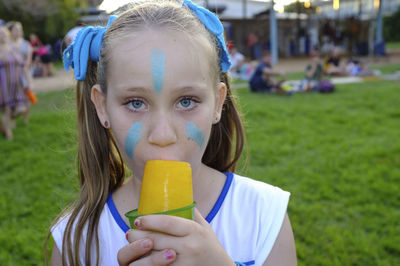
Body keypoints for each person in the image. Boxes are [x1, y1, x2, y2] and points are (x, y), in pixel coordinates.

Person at [47, 1, 296, 265]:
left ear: (218, 102)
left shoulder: (264, 216)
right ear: (102, 107)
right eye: (135, 103)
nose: (163, 135)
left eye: (186, 101)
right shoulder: (76, 241)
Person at [0, 26, 28, 140]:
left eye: (3, 33)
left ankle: (5, 124)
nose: (2, 36)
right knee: (6, 109)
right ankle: (8, 134)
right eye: (0, 34)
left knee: (21, 109)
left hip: (16, 84)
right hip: (3, 85)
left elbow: (22, 63)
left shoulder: (12, 47)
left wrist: (27, 81)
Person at [7, 21, 32, 122]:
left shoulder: (25, 44)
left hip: (24, 73)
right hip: (12, 75)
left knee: (28, 96)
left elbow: (28, 61)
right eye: (15, 30)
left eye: (19, 30)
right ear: (10, 31)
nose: (18, 32)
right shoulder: (7, 44)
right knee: (13, 98)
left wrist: (25, 72)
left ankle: (26, 121)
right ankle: (10, 119)